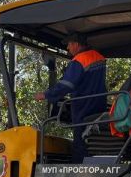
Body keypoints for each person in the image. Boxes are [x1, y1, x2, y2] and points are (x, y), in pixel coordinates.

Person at [36, 33, 107, 163]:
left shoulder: (79, 60)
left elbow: (67, 85)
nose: (68, 48)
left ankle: (78, 174)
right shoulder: (99, 57)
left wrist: (46, 94)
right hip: (99, 106)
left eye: (69, 44)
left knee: (81, 142)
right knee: (93, 141)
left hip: (84, 107)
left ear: (76, 44)